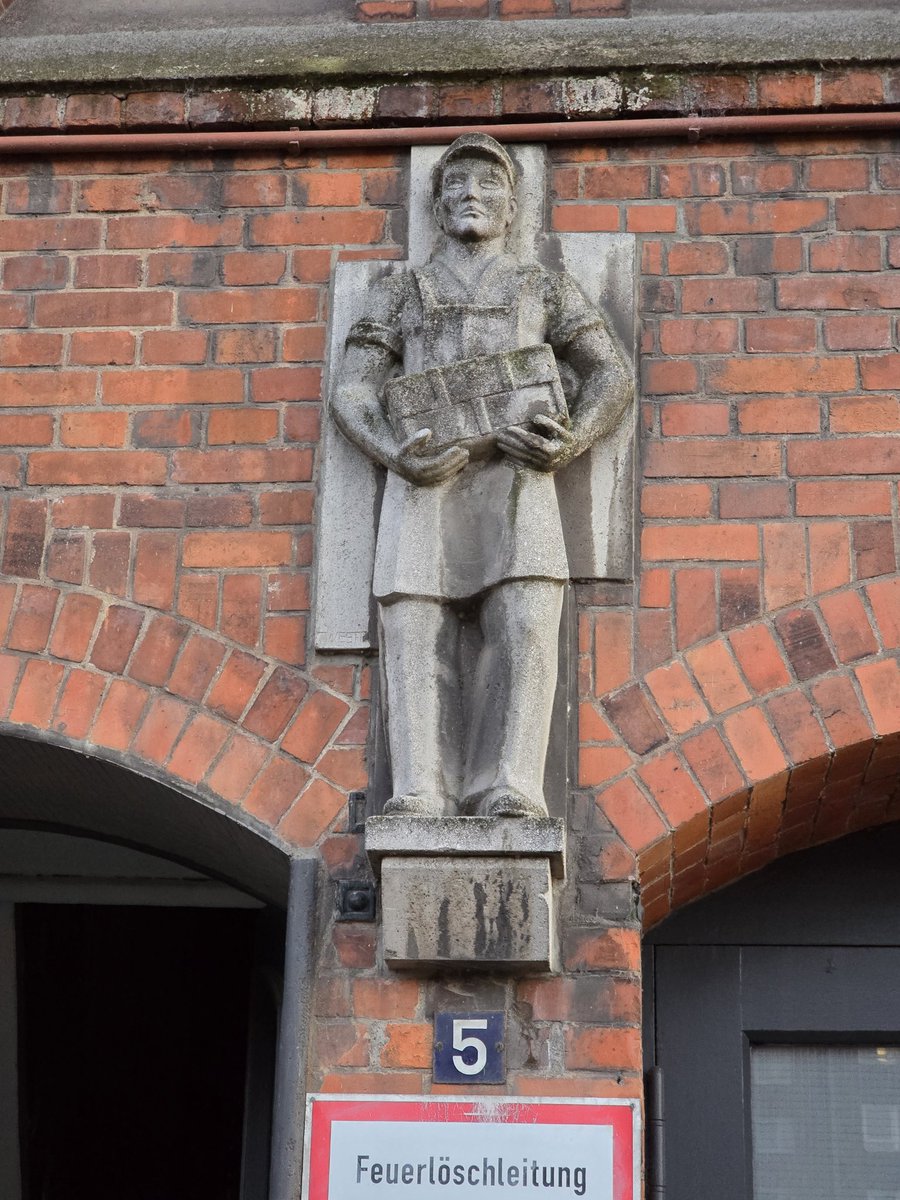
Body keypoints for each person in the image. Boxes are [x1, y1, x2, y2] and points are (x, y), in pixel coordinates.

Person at [333, 133, 632, 819]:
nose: (472, 194)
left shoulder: (541, 285)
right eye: (457, 184)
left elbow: (609, 372)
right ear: (437, 205)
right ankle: (419, 788)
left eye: (488, 184)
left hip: (520, 478)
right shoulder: (405, 289)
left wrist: (572, 439)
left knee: (525, 621)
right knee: (413, 626)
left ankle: (510, 783)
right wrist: (393, 452)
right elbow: (353, 388)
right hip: (427, 478)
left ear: (512, 204)